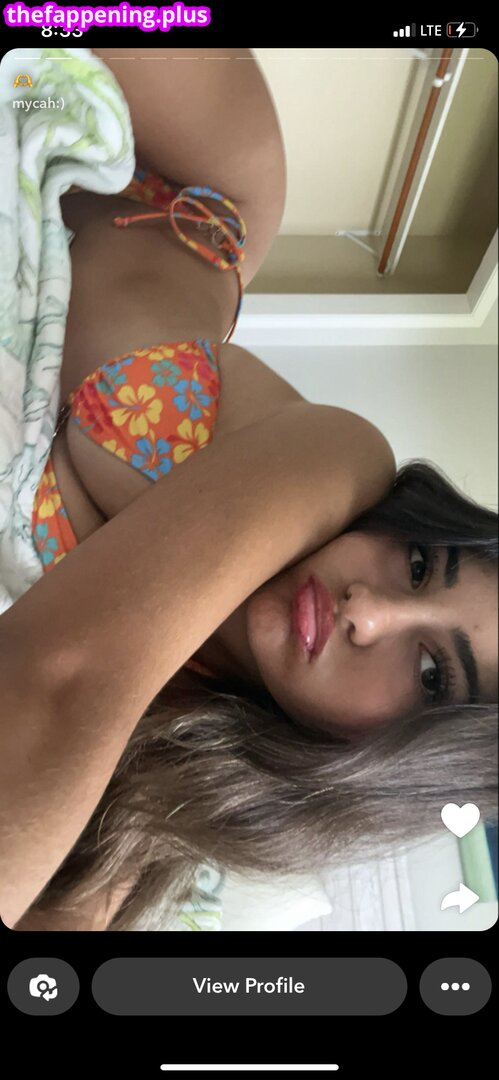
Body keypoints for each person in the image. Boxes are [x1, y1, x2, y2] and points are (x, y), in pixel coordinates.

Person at [1, 49, 497, 932]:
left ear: (396, 768)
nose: (368, 610)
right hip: (194, 188)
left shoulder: (172, 786)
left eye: (430, 673)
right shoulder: (340, 459)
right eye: (420, 565)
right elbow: (63, 678)